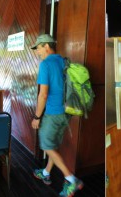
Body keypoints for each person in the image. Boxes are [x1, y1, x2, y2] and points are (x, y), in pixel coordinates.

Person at [30, 34, 83, 197]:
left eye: (38, 48)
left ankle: (71, 180)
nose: (37, 52)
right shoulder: (64, 61)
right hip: (67, 112)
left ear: (46, 46)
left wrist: (37, 117)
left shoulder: (45, 65)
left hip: (53, 113)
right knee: (53, 145)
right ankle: (46, 173)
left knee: (46, 146)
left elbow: (43, 95)